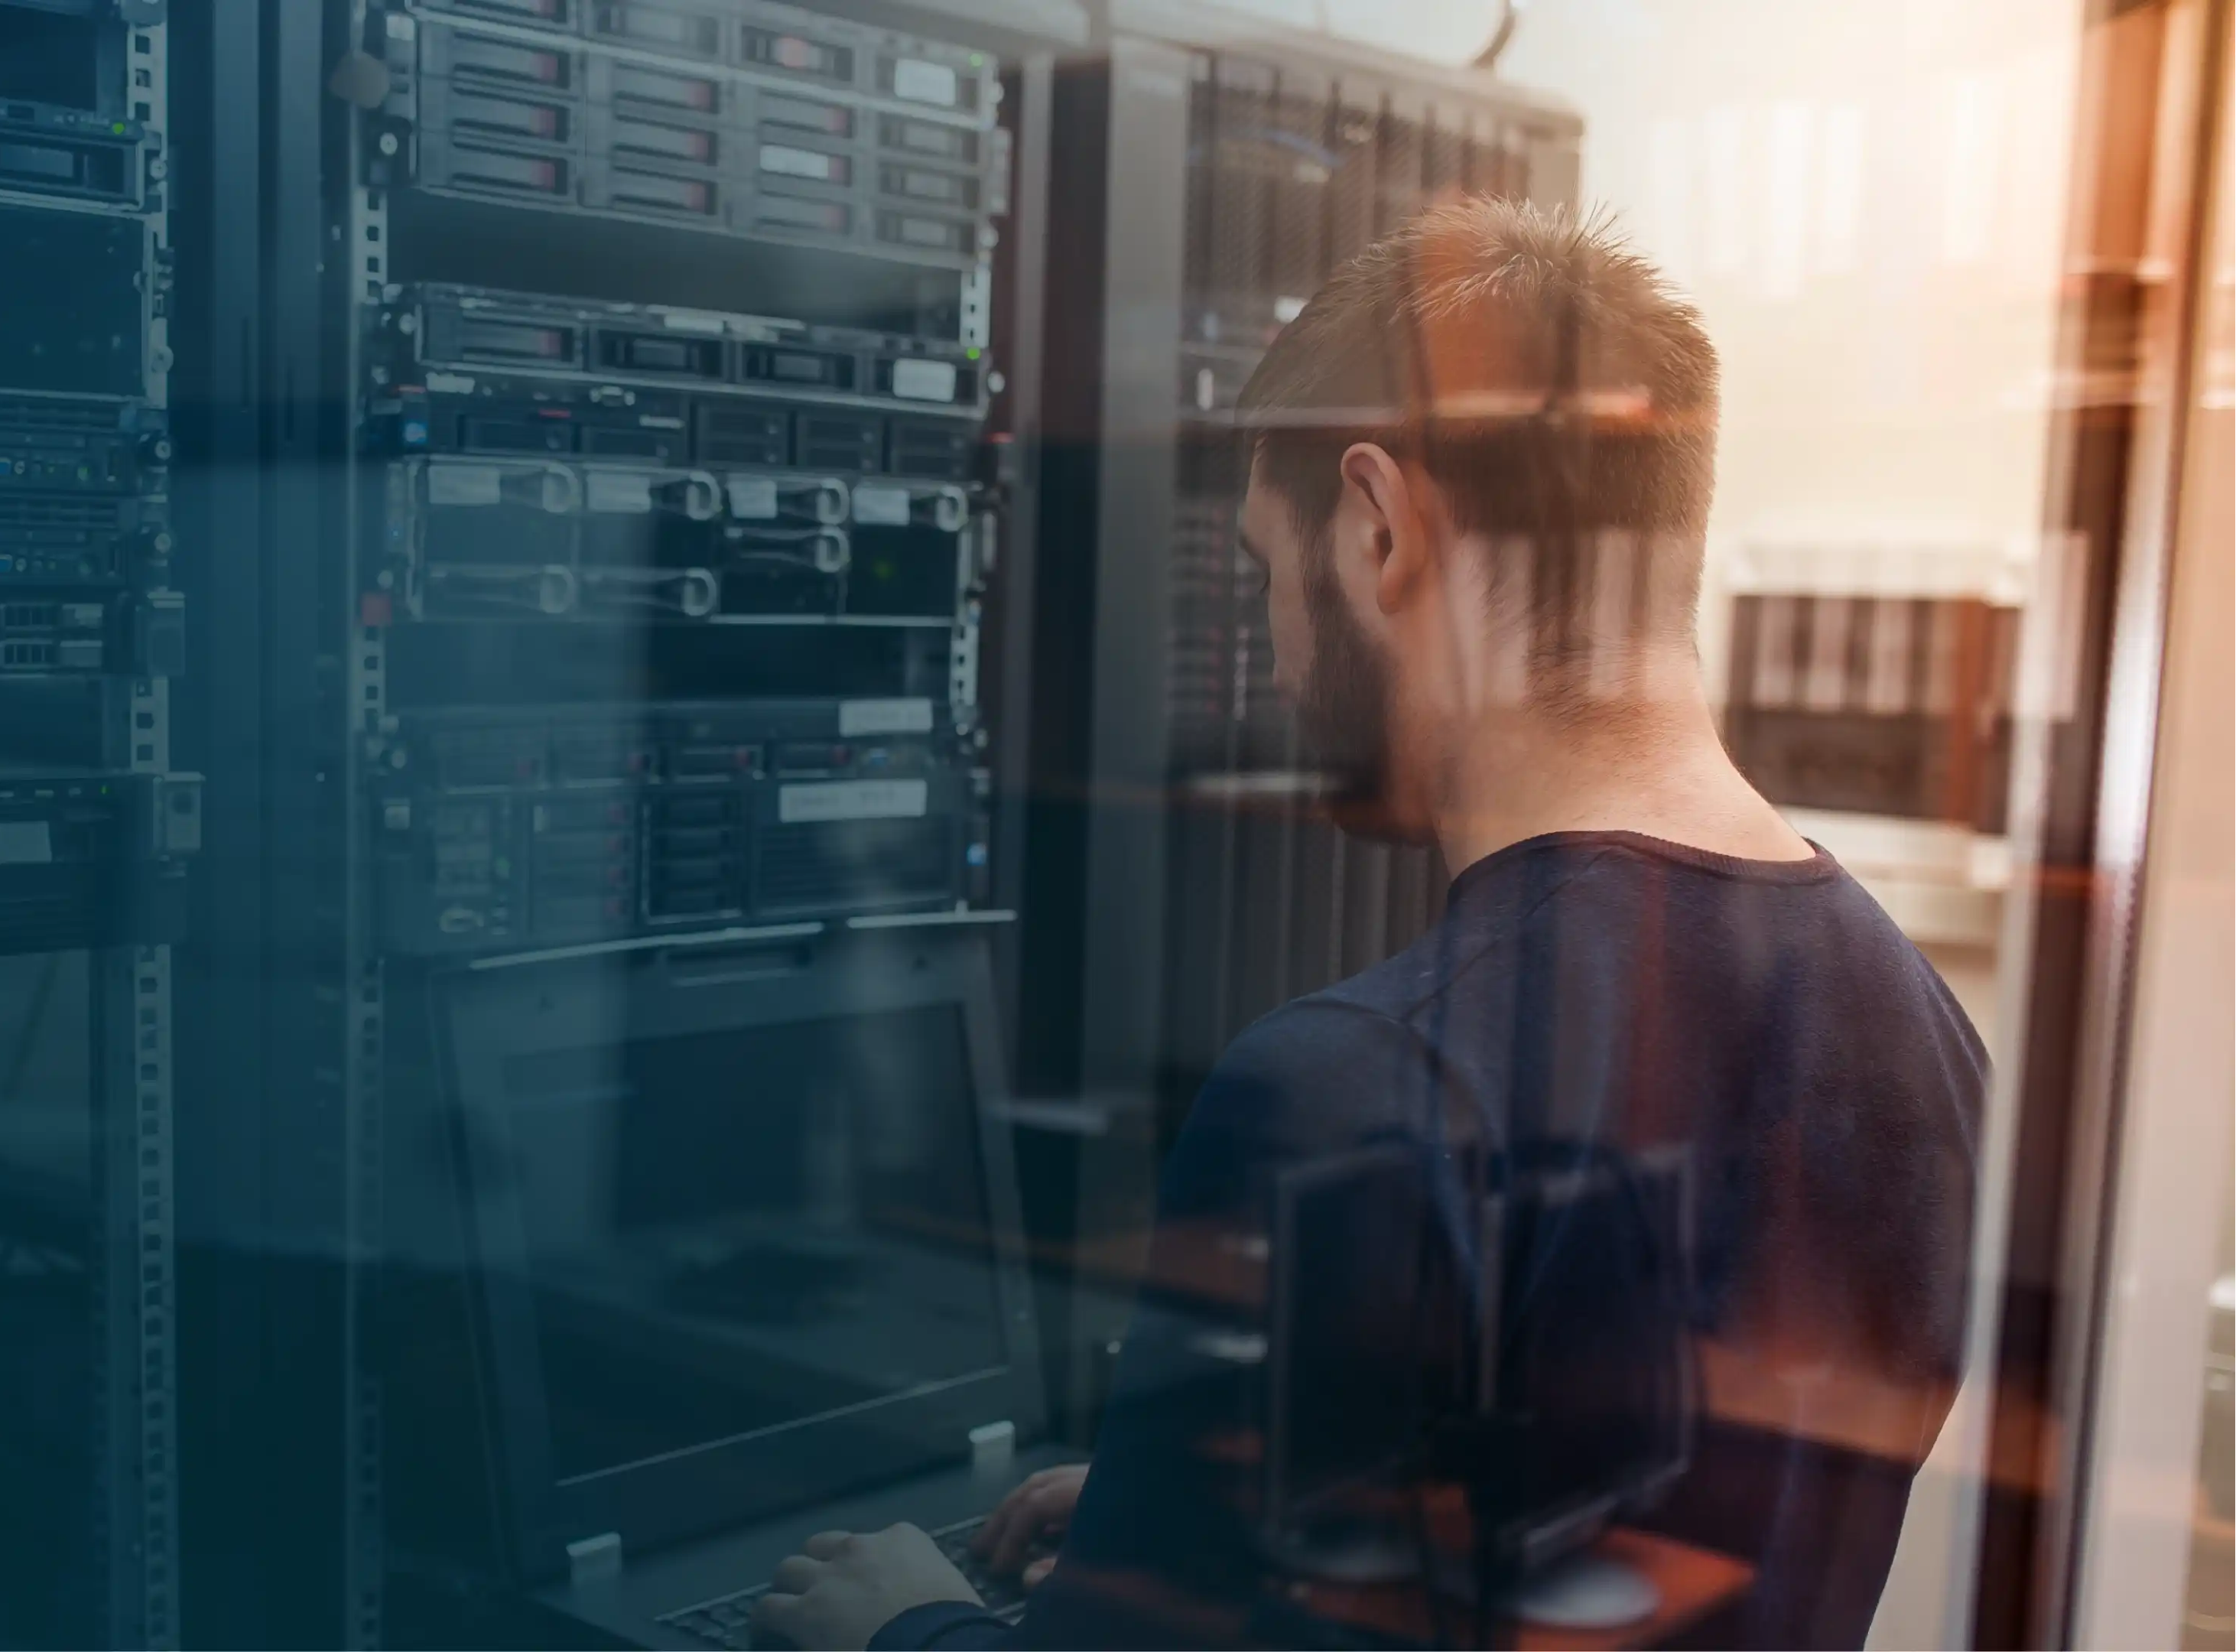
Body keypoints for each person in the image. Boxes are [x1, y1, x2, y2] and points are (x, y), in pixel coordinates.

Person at [752, 198, 1985, 1650]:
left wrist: (902, 1632)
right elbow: (1608, 1525)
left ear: (1381, 525)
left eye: (1273, 571)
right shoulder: (1916, 1026)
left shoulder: (1359, 1085)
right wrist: (1187, 1525)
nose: (1277, 654)